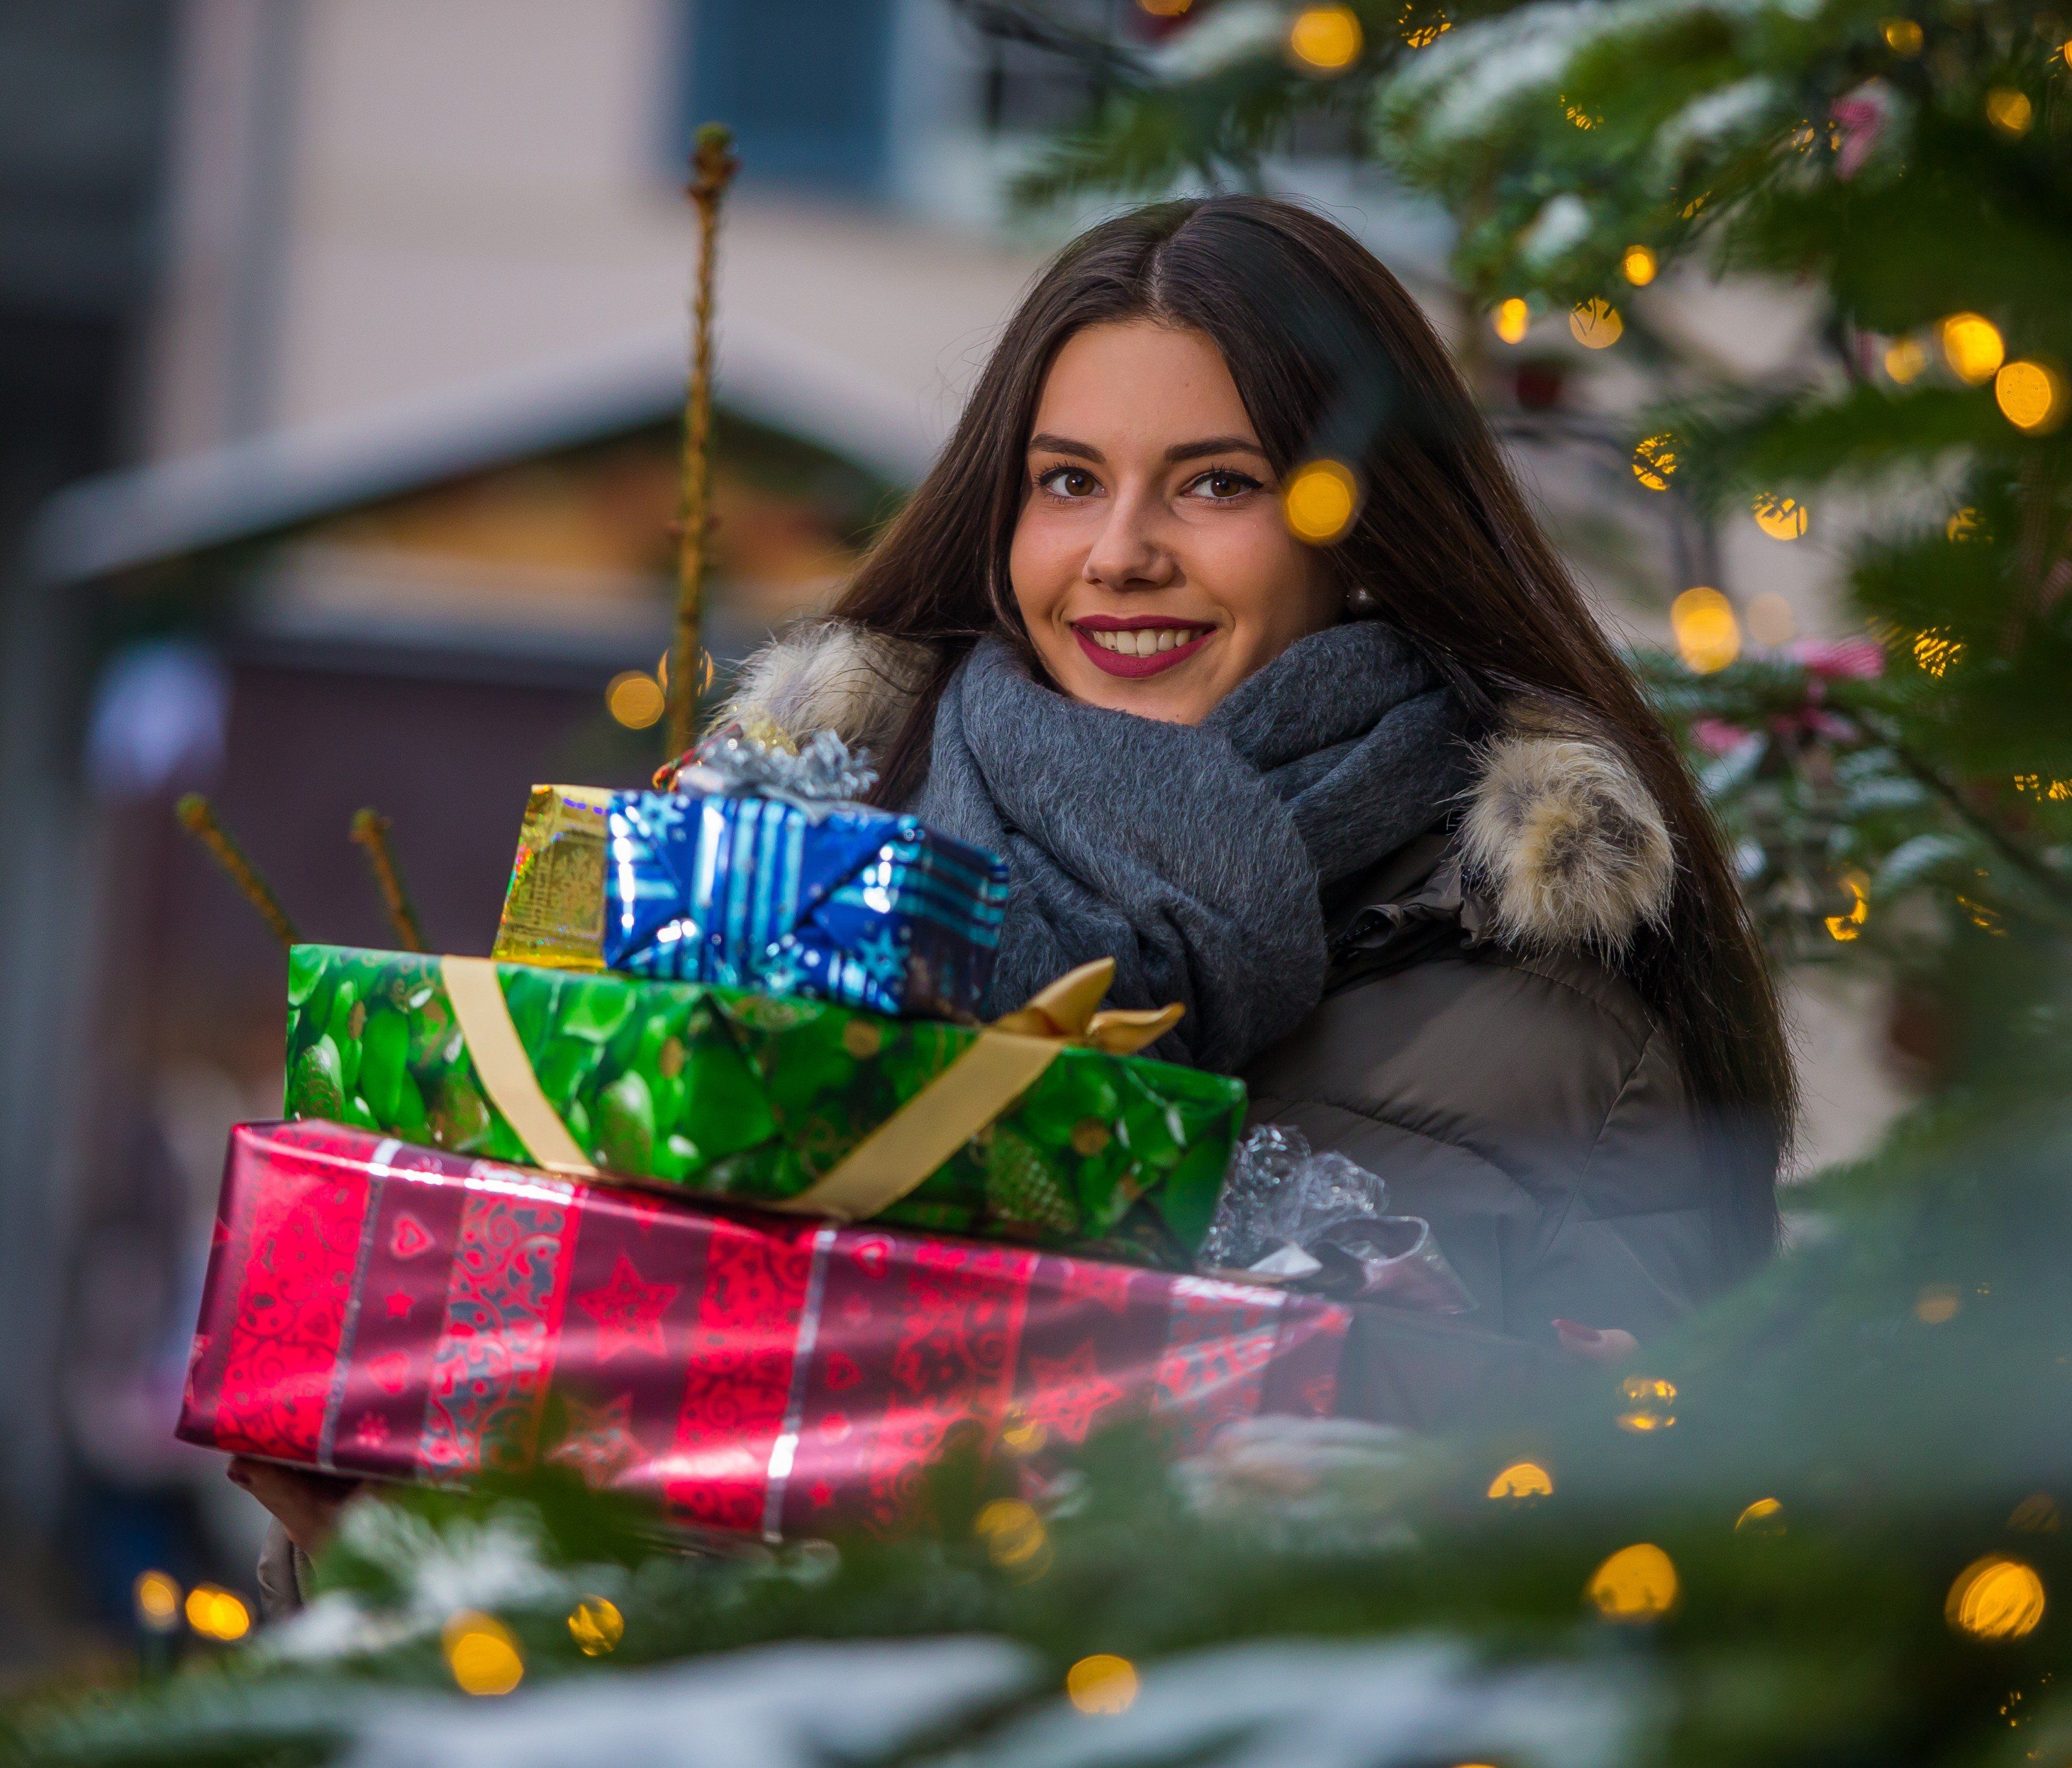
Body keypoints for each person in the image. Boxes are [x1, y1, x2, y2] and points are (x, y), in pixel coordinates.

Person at [236, 195, 1794, 1593]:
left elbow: (1670, 1596)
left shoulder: (1553, 1021)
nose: (1120, 553)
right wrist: (381, 1547)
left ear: (1361, 528)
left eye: (1215, 484)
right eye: (1068, 481)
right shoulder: (788, 918)